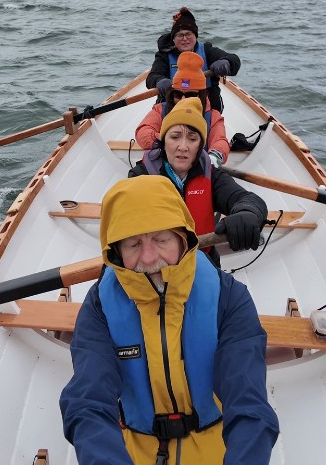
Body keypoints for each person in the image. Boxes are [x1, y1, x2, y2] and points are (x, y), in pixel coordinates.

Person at [60, 175, 279, 465]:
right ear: (116, 251)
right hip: (130, 450)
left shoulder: (228, 298)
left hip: (219, 445)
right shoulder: (100, 306)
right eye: (133, 244)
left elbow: (248, 403)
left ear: (183, 238)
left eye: (161, 239)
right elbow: (88, 404)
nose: (149, 258)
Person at [130, 97, 267, 268]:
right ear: (163, 141)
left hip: (203, 264)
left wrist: (249, 213)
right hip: (156, 268)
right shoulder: (140, 176)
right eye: (175, 137)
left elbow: (247, 199)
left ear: (201, 145)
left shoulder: (212, 176)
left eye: (192, 139)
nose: (183, 146)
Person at [136, 51, 230, 166]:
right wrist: (167, 140)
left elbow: (220, 141)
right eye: (178, 94)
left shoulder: (213, 116)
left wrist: (213, 158)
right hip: (164, 166)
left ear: (201, 95)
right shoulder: (160, 110)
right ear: (172, 94)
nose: (184, 99)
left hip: (198, 167)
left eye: (191, 94)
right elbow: (143, 132)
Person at [146, 7, 241, 113]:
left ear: (195, 36)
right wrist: (159, 81)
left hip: (205, 109)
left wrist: (227, 62)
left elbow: (234, 60)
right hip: (173, 108)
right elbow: (151, 77)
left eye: (188, 34)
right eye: (180, 35)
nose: (185, 39)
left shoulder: (207, 50)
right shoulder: (164, 55)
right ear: (173, 38)